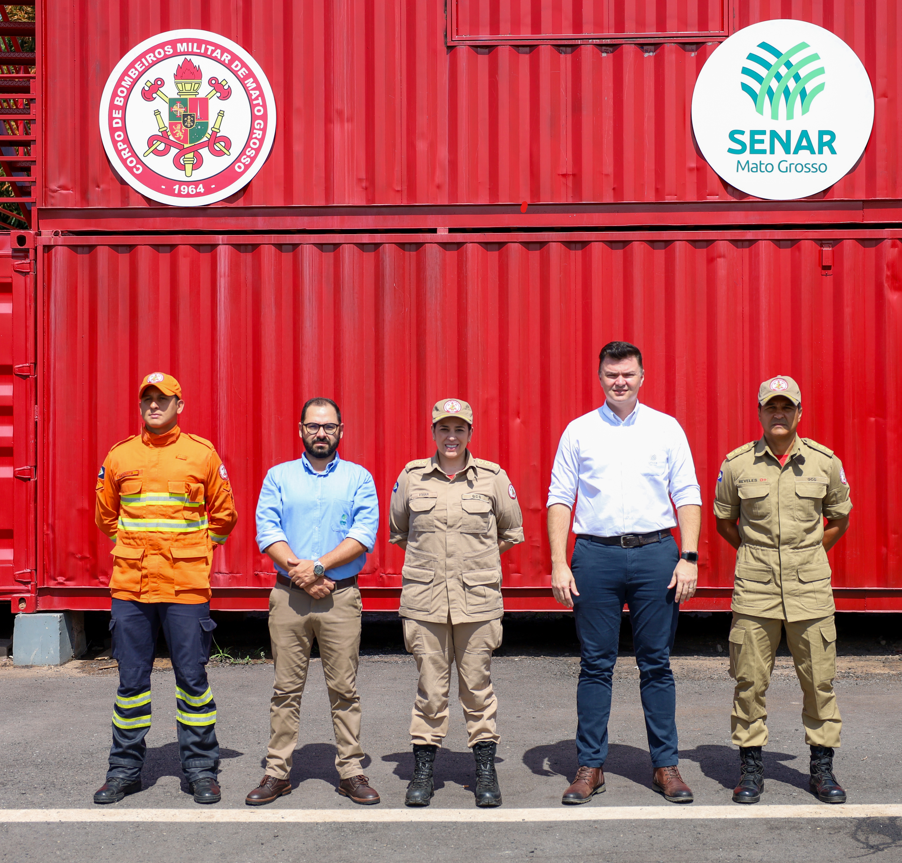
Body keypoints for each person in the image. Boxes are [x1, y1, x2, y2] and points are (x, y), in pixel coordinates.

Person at [547, 341, 702, 805]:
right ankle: (590, 766)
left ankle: (665, 766)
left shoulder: (665, 429)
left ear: (642, 376)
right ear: (600, 378)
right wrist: (559, 561)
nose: (620, 382)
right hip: (596, 556)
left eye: (628, 374)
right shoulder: (579, 431)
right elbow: (560, 497)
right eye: (612, 375)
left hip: (657, 553)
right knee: (596, 665)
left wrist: (688, 557)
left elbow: (688, 493)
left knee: (657, 663)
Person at [92, 372, 237, 805]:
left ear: (180, 404)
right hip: (132, 588)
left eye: (163, 399)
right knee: (130, 684)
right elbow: (106, 517)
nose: (154, 405)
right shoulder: (119, 456)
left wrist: (196, 549)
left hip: (186, 587)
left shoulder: (201, 455)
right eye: (147, 399)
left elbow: (224, 515)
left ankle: (200, 769)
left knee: (193, 681)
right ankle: (124, 771)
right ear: (140, 406)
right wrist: (134, 548)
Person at [714, 376, 852, 805]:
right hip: (755, 591)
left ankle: (822, 768)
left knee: (819, 682)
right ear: (759, 413)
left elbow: (839, 517)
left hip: (810, 589)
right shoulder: (737, 464)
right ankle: (751, 769)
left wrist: (807, 553)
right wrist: (756, 556)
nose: (779, 414)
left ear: (799, 413)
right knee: (749, 682)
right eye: (771, 407)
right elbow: (724, 521)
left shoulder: (824, 462)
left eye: (786, 407)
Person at [389, 398, 524, 808]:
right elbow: (400, 532)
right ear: (433, 433)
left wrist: (474, 562)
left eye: (459, 429)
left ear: (470, 433)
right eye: (444, 429)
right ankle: (424, 771)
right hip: (425, 600)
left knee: (477, 688)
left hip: (477, 600)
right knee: (430, 691)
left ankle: (484, 770)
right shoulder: (412, 478)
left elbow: (510, 531)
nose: (451, 437)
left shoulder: (492, 478)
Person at [248, 397, 382, 806]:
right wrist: (300, 574)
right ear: (301, 430)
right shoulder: (279, 477)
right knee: (285, 689)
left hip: (340, 597)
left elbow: (364, 533)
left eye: (328, 426)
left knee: (344, 688)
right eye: (313, 426)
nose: (320, 433)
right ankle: (277, 773)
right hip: (289, 597)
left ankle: (351, 771)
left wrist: (317, 569)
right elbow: (267, 528)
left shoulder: (359, 478)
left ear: (341, 430)